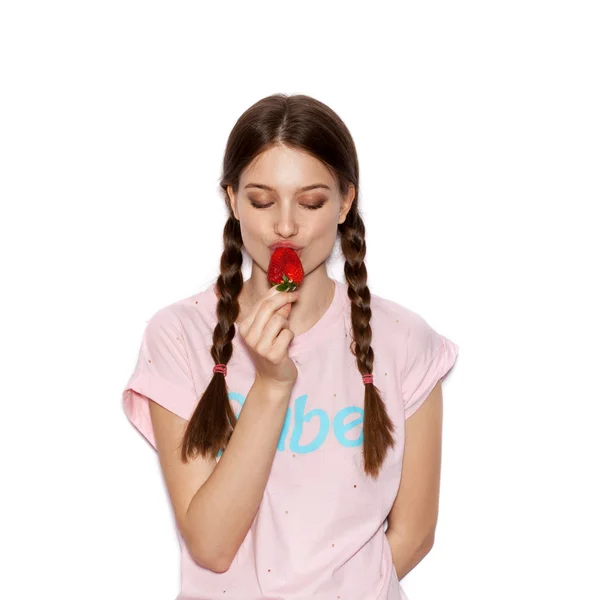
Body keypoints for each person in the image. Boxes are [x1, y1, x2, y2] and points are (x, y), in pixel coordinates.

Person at [122, 93, 459, 600]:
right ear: (232, 199)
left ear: (346, 202)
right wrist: (273, 385)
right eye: (261, 201)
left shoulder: (404, 339)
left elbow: (415, 531)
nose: (284, 225)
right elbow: (211, 545)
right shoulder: (178, 335)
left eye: (311, 201)